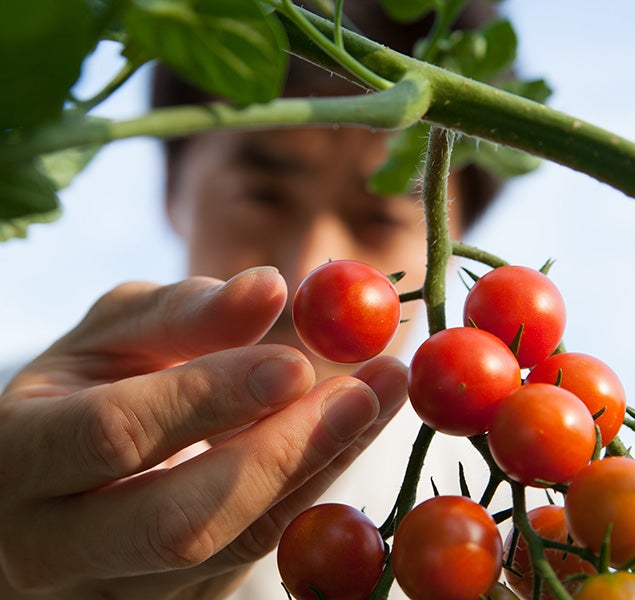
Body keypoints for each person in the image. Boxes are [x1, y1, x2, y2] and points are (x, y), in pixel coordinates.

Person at [0, 2, 509, 598]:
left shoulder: (506, 536)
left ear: (450, 245)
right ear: (171, 188)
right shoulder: (12, 447)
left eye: (376, 219)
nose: (306, 272)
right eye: (264, 195)